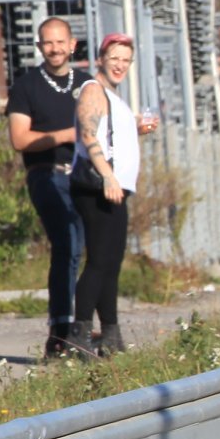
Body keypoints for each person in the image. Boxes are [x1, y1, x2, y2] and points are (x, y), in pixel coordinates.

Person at [69, 34, 158, 356]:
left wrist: (137, 130)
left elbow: (111, 136)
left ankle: (110, 335)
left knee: (111, 263)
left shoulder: (114, 97)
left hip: (115, 187)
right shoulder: (93, 90)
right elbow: (88, 134)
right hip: (98, 187)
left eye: (125, 60)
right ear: (101, 60)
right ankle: (78, 336)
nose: (120, 65)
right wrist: (108, 176)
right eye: (114, 58)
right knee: (99, 262)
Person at [7, 17, 86, 358]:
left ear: (72, 44)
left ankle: (86, 328)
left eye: (60, 42)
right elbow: (19, 139)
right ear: (39, 46)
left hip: (85, 176)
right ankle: (60, 332)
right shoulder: (26, 87)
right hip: (47, 174)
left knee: (90, 249)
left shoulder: (86, 84)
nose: (54, 49)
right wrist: (67, 135)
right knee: (67, 244)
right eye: (48, 43)